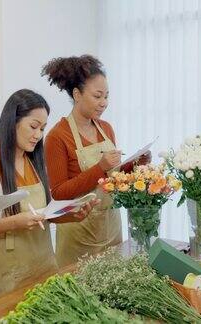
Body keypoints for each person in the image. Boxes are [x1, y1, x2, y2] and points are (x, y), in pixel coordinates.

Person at [0, 89, 97, 301]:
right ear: (12, 122)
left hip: (43, 267)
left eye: (42, 128)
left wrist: (73, 215)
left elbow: (44, 214)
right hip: (6, 277)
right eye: (33, 127)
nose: (38, 135)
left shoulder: (35, 163)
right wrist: (15, 222)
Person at [42, 55, 151, 266]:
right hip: (78, 235)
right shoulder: (57, 136)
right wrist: (100, 167)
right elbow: (58, 193)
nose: (104, 103)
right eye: (97, 96)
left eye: (107, 96)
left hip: (111, 227)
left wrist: (135, 165)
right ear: (77, 94)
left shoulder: (106, 128)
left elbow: (112, 179)